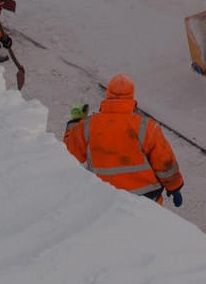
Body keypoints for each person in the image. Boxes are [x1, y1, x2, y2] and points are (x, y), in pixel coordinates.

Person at [64, 74, 186, 206]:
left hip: (104, 200)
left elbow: (68, 154)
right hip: (146, 200)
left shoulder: (88, 126)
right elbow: (165, 162)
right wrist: (174, 187)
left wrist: (75, 122)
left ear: (107, 95)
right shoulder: (147, 127)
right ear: (131, 97)